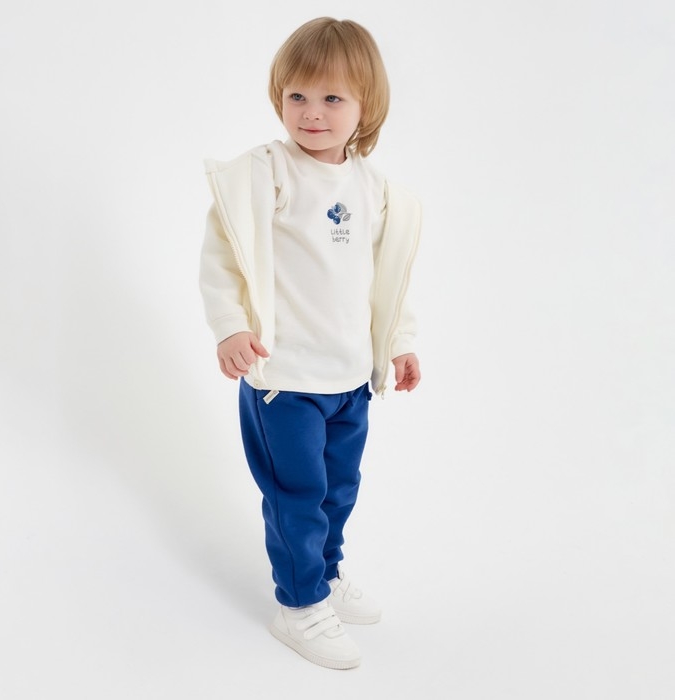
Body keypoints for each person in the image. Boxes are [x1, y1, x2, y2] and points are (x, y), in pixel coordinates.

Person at [199, 17, 422, 670]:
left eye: (332, 98)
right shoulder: (267, 174)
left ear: (365, 106)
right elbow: (223, 257)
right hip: (285, 379)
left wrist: (399, 341)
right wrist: (231, 326)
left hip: (349, 379)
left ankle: (324, 570)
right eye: (296, 96)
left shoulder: (374, 189)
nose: (311, 113)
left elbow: (387, 278)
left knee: (337, 489)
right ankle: (299, 605)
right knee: (296, 494)